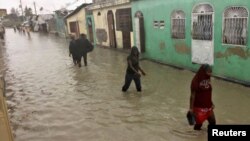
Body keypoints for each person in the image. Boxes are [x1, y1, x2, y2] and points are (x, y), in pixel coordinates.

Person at [188, 64, 216, 130]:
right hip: (199, 107)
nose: (210, 74)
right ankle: (195, 137)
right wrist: (191, 109)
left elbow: (207, 92)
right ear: (203, 72)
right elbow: (192, 95)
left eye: (211, 72)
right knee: (198, 125)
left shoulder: (207, 79)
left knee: (213, 122)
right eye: (208, 72)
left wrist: (211, 103)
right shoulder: (195, 81)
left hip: (208, 106)